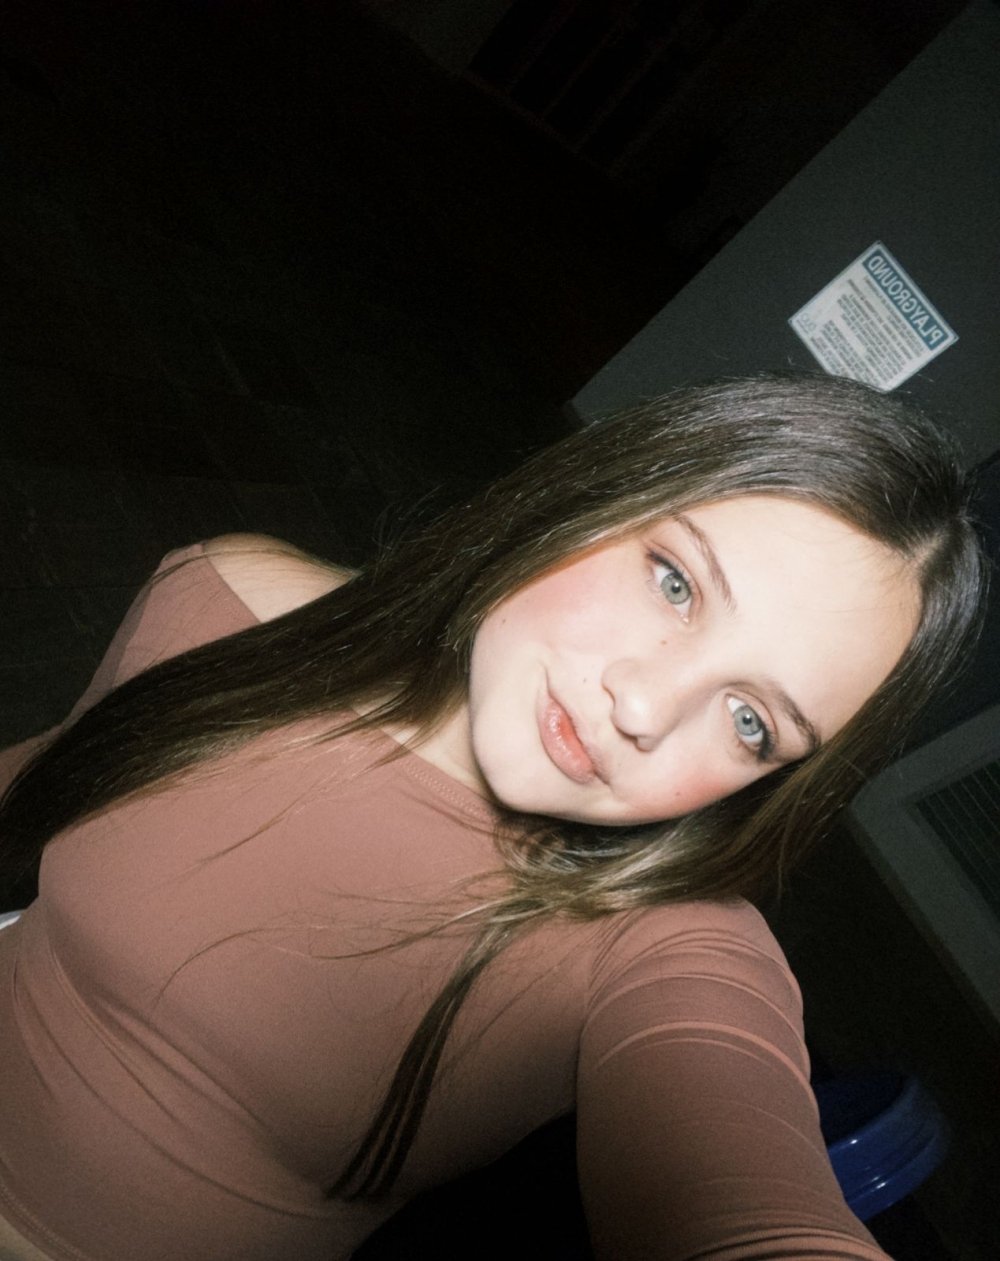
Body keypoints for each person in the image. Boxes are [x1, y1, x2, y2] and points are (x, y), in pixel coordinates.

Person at [0, 373, 986, 1261]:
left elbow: (746, 1197)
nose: (644, 707)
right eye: (675, 582)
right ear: (595, 493)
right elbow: (42, 776)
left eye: (750, 721)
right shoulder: (229, 602)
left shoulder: (656, 953)